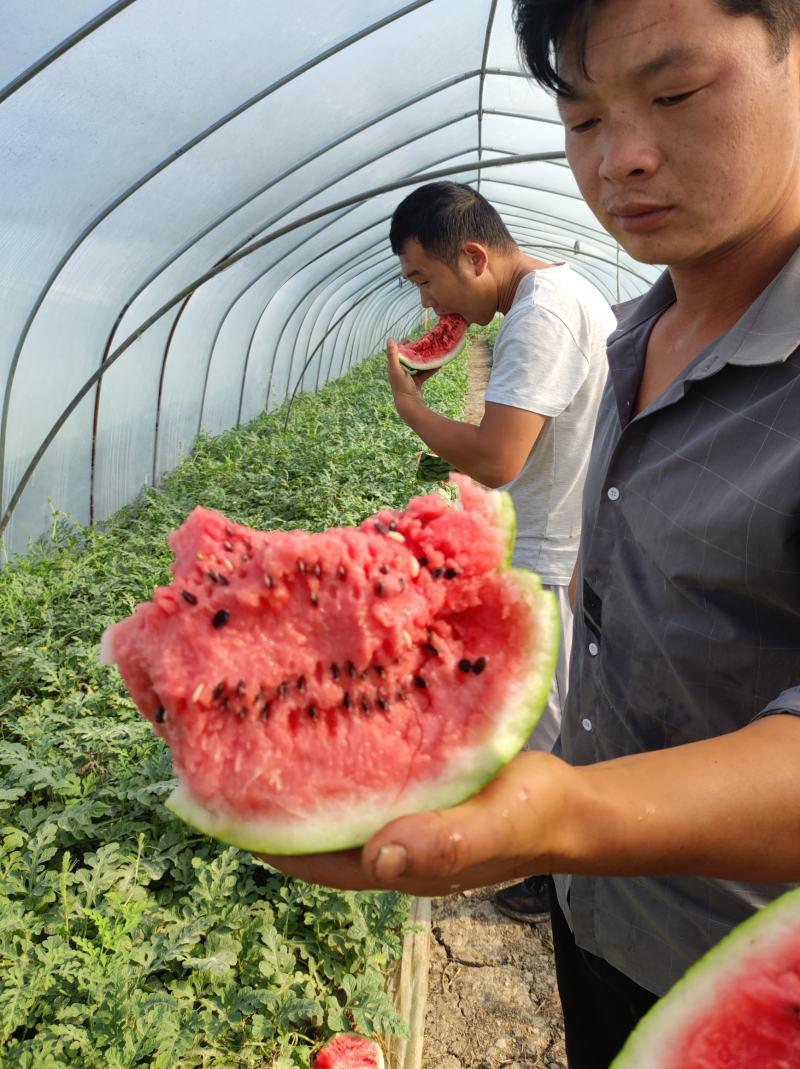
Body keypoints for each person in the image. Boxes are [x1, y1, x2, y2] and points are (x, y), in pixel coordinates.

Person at [260, 0, 800, 1064]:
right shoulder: (643, 321)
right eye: (581, 117)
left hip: (743, 947)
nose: (622, 159)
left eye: (676, 92)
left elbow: (498, 460)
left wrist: (559, 816)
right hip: (604, 914)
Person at [385, 181, 616, 923]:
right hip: (569, 532)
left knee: (541, 716)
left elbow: (498, 458)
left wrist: (412, 408)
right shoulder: (559, 294)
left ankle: (554, 870)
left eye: (426, 278)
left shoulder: (541, 316)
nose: (426, 305)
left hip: (554, 546)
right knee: (552, 703)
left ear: (475, 256)